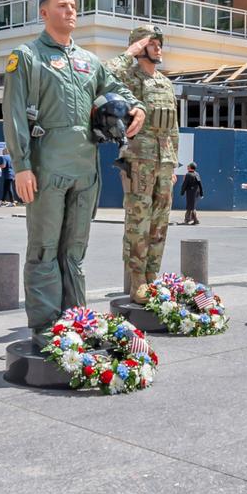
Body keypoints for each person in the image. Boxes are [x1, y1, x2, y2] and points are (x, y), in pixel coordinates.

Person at [3, 0, 142, 332]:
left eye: (74, 7)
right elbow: (15, 113)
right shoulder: (27, 57)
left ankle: (76, 322)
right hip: (47, 167)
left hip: (85, 169)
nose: (70, 12)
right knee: (44, 248)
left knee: (75, 250)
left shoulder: (89, 61)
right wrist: (22, 166)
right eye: (63, 6)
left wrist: (137, 107)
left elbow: (117, 89)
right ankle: (46, 327)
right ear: (43, 12)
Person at [108, 23, 180, 298]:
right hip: (138, 159)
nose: (158, 47)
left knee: (160, 221)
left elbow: (173, 127)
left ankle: (153, 276)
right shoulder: (129, 79)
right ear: (140, 46)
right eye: (152, 42)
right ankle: (137, 278)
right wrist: (131, 52)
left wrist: (173, 163)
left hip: (164, 162)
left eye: (159, 43)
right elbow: (106, 73)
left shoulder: (165, 82)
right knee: (138, 220)